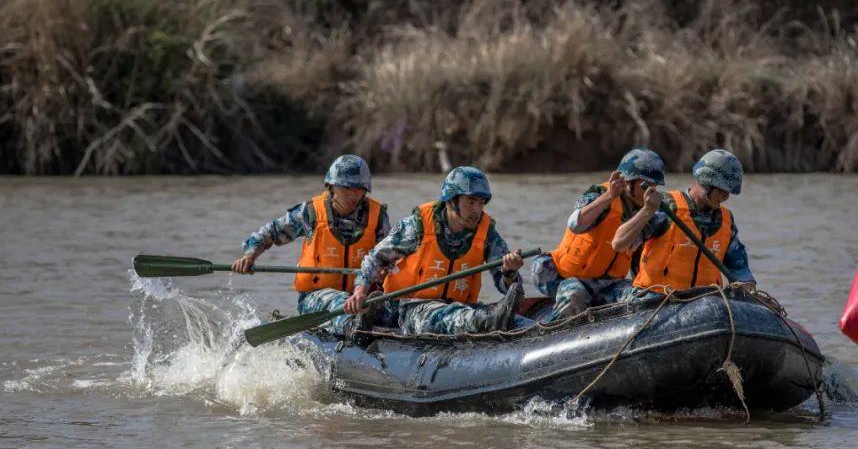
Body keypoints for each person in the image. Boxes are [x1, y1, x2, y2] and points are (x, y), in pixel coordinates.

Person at [343, 166, 526, 335]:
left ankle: (493, 321)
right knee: (442, 315)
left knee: (503, 318)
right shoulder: (418, 226)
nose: (477, 211)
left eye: (481, 203)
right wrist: (360, 292)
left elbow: (506, 287)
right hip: (410, 308)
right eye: (470, 202)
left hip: (460, 306)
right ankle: (486, 322)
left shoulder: (486, 232)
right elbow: (375, 258)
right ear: (452, 201)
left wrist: (509, 272)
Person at [232, 155, 389, 334]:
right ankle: (356, 326)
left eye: (358, 188)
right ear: (332, 186)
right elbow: (270, 232)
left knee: (390, 305)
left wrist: (385, 271)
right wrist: (249, 256)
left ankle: (378, 323)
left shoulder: (378, 218)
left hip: (363, 297)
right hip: (317, 297)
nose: (353, 194)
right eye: (346, 187)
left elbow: (390, 256)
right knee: (339, 301)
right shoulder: (310, 213)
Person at [530, 148, 667, 323]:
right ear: (628, 182)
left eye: (654, 186)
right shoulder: (600, 196)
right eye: (647, 185)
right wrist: (609, 196)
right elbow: (574, 224)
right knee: (575, 295)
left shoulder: (647, 213)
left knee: (643, 298)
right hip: (571, 278)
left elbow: (638, 261)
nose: (651, 191)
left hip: (609, 284)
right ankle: (550, 329)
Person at [614, 149, 756, 294]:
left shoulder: (725, 220)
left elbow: (739, 267)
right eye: (722, 190)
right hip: (657, 299)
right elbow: (619, 244)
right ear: (706, 182)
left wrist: (747, 285)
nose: (726, 196)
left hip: (704, 302)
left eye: (729, 192)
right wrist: (647, 210)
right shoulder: (666, 206)